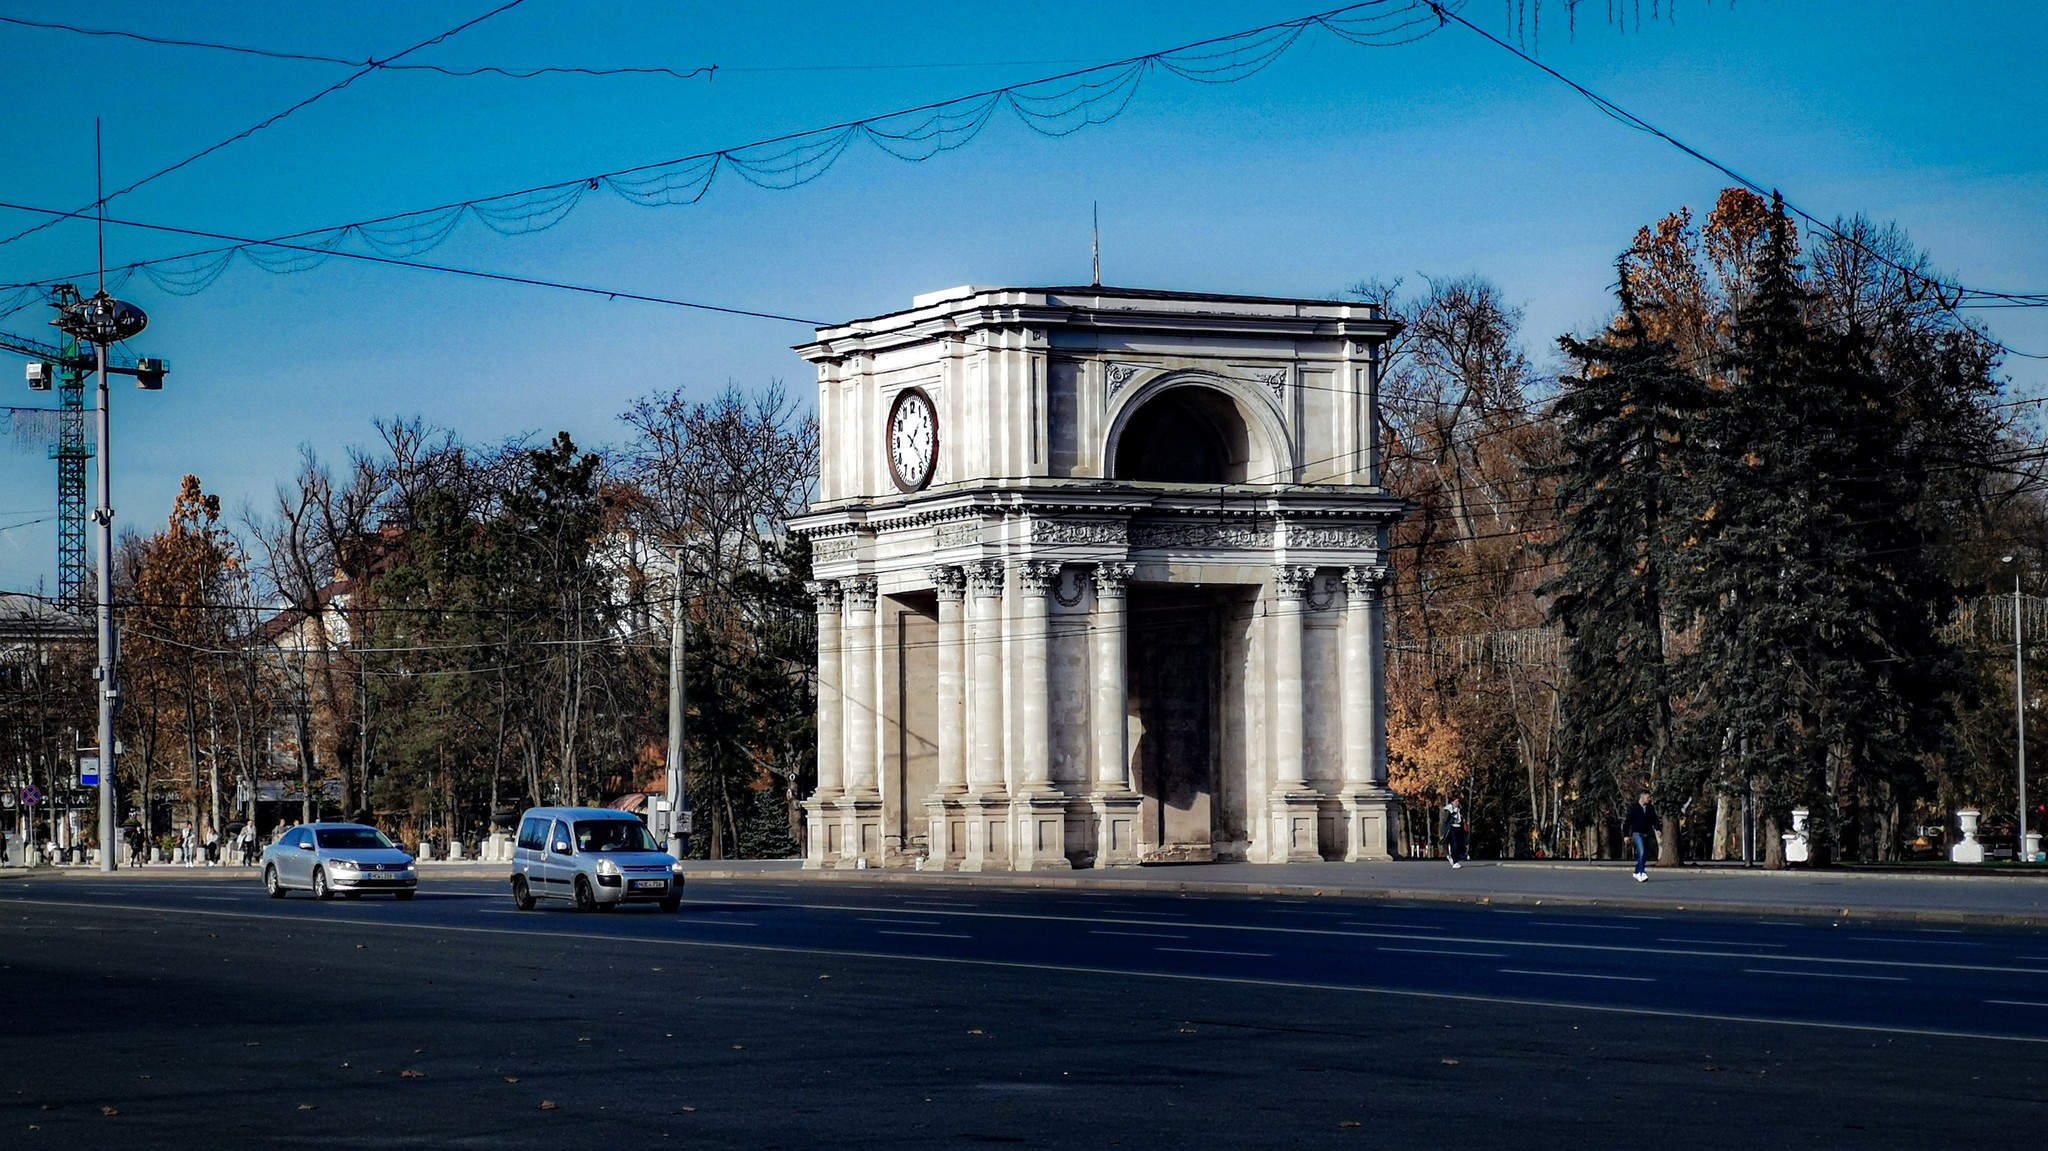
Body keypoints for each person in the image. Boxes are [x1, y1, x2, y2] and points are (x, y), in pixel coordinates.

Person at [1625, 790, 1659, 882]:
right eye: (1648, 797)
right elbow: (1627, 822)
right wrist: (1626, 835)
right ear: (1642, 797)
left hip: (1647, 833)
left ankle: (1636, 872)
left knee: (1645, 855)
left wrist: (1657, 829)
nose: (1650, 799)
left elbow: (1654, 819)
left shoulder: (1650, 808)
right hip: (1637, 833)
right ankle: (1641, 872)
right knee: (1642, 852)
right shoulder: (1634, 808)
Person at [1441, 798, 1467, 869]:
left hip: (1459, 828)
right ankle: (1455, 861)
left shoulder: (1460, 809)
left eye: (1458, 801)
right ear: (1452, 802)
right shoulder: (1449, 809)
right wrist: (1443, 832)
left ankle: (1453, 857)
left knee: (1460, 844)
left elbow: (1462, 818)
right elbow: (1446, 821)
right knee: (1454, 844)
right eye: (1456, 801)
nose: (1457, 803)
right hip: (1452, 829)